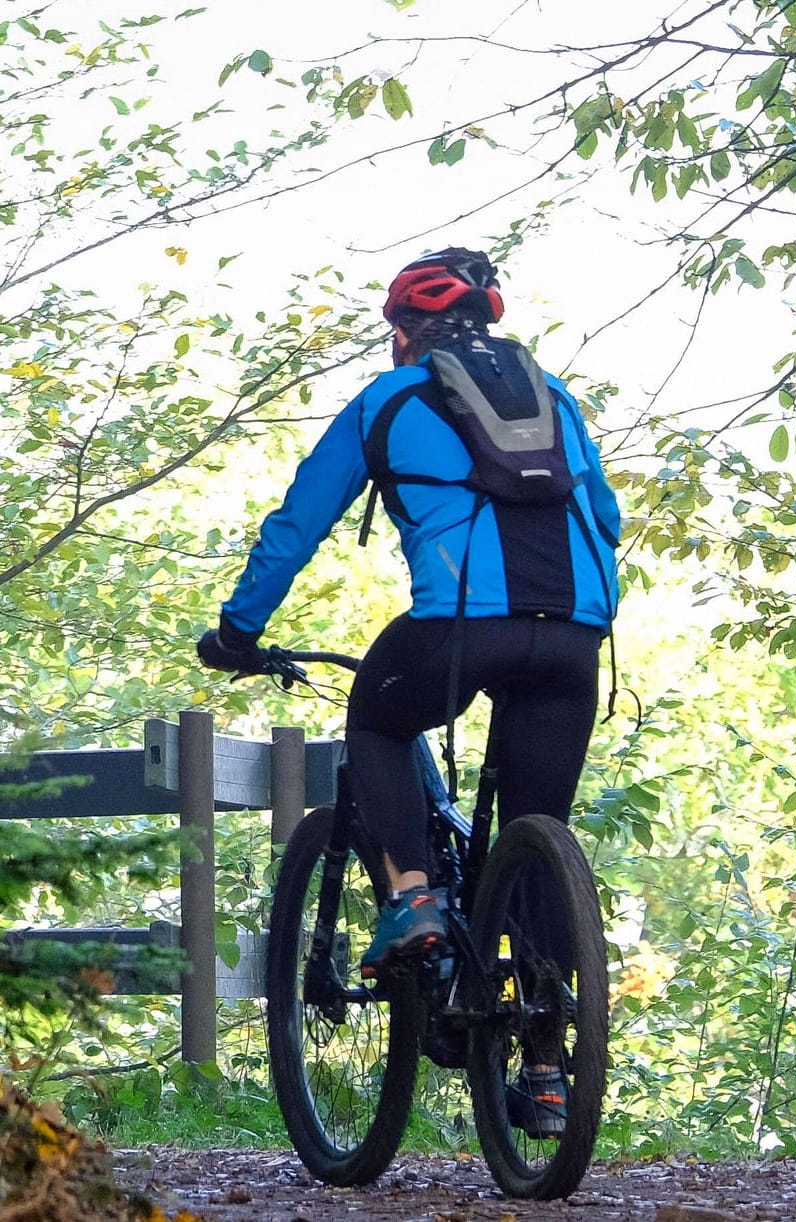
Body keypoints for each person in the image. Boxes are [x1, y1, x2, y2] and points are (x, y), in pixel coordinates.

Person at [198, 246, 620, 1136]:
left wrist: (237, 632)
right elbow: (608, 520)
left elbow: (299, 521)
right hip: (577, 636)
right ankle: (547, 1070)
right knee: (536, 830)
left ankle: (415, 897)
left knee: (380, 721)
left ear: (404, 334)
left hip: (458, 631)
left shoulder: (387, 399)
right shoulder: (558, 402)